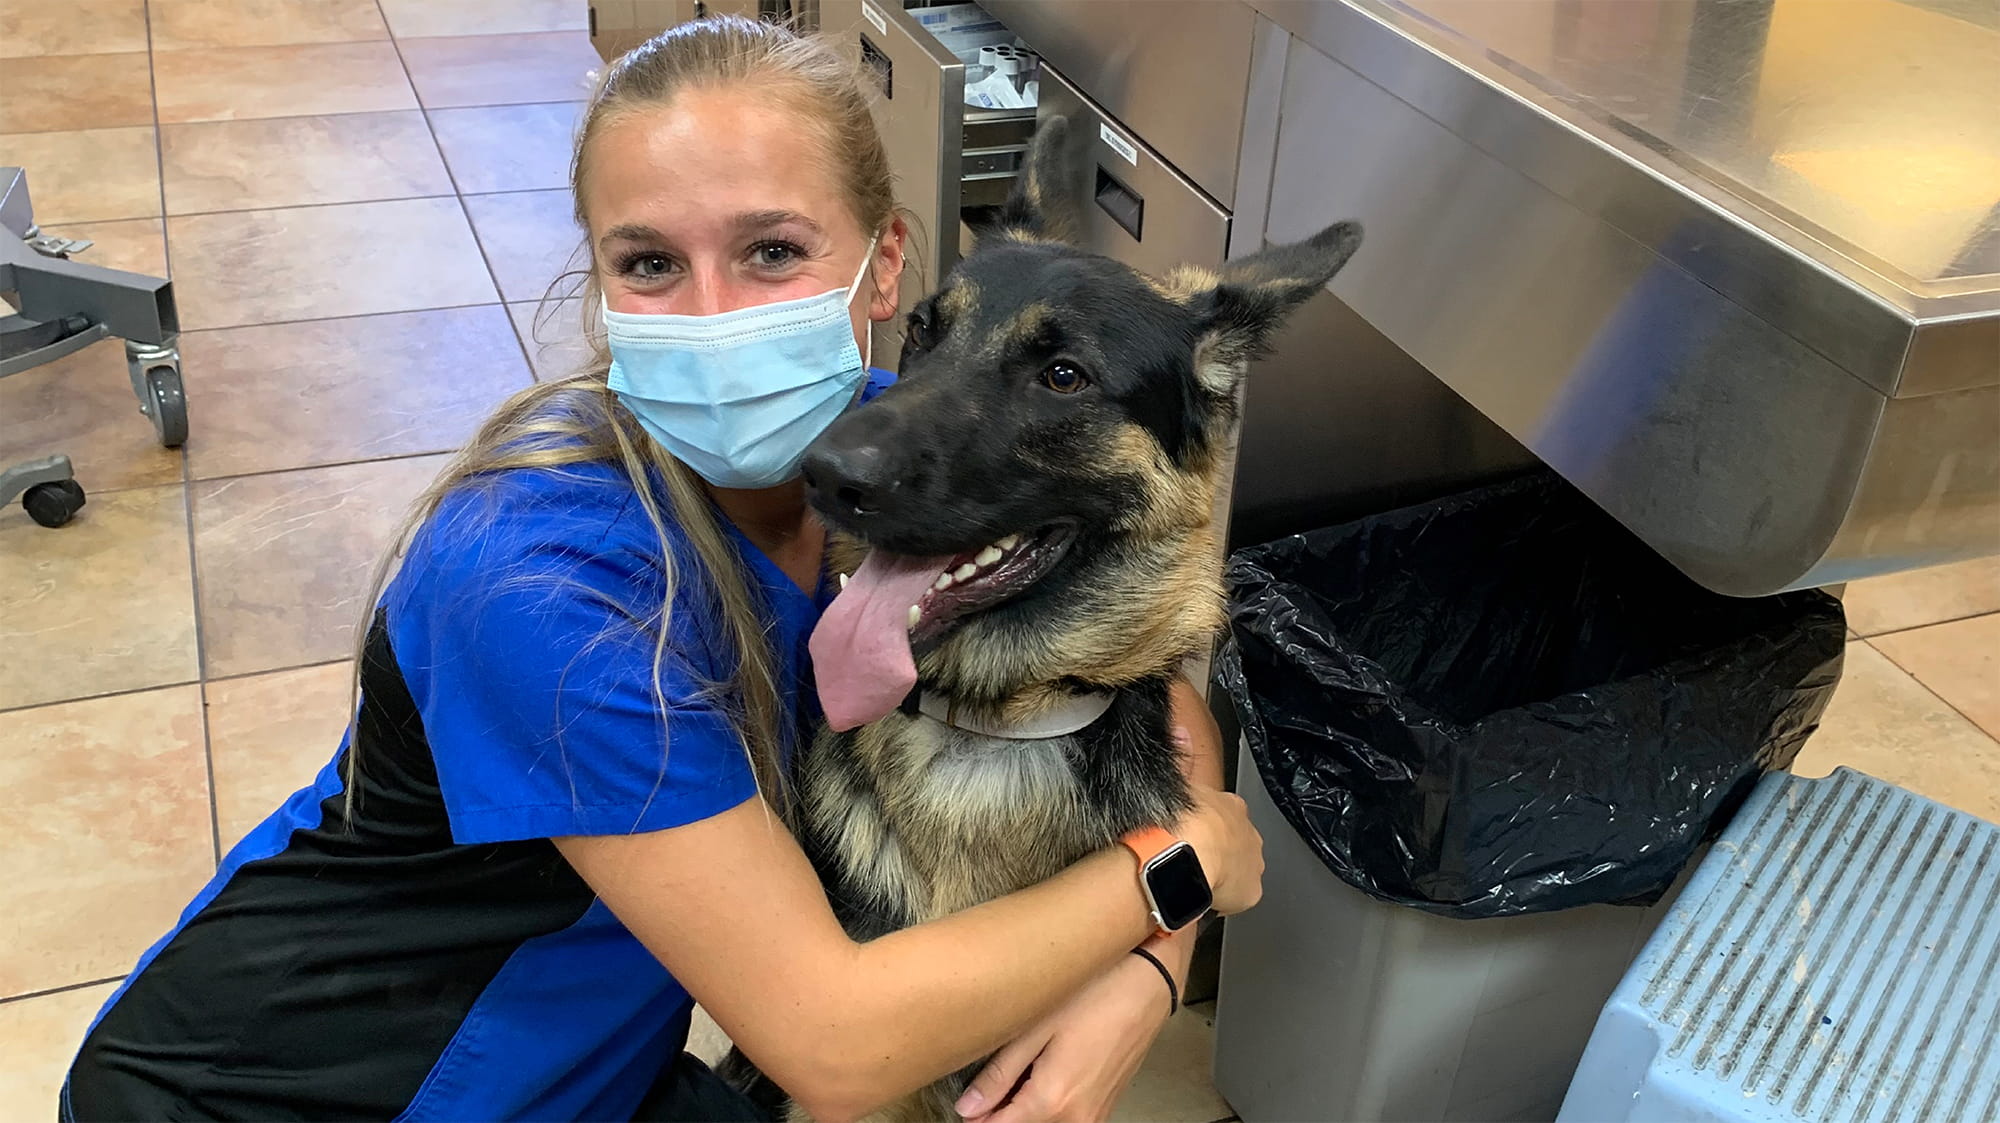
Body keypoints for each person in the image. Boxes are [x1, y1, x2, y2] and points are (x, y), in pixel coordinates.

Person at [63, 16, 1262, 1123]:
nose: (711, 317)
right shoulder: (545, 588)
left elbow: (1140, 683)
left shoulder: (889, 452)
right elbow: (835, 1043)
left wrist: (1146, 974)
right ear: (599, 280)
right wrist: (1181, 868)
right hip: (299, 1091)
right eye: (648, 264)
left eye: (772, 250)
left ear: (885, 262)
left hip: (590, 1071)